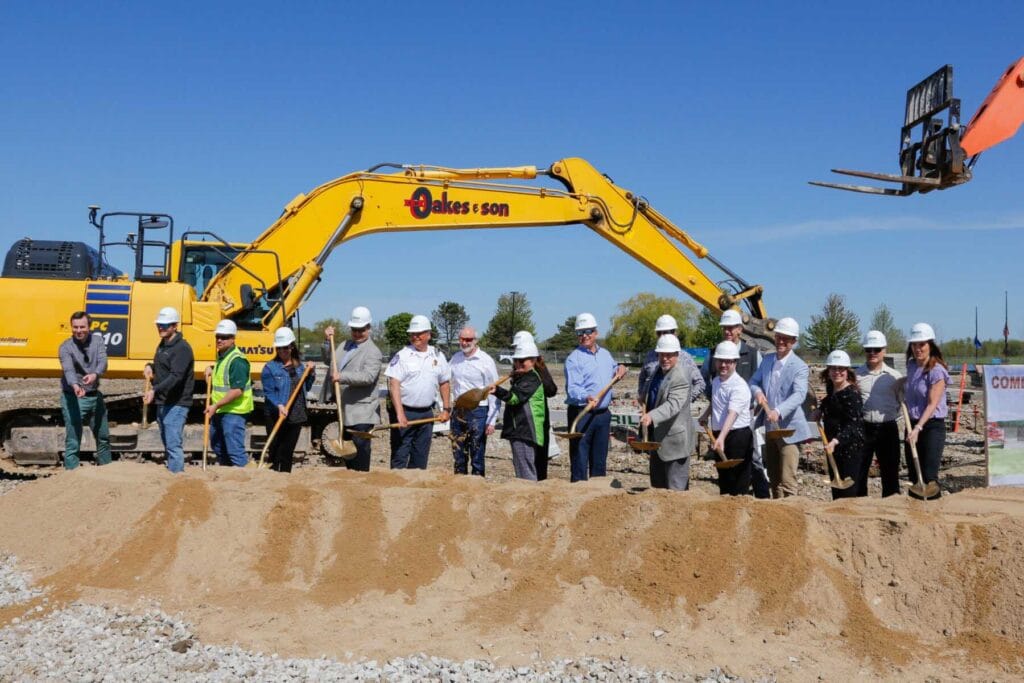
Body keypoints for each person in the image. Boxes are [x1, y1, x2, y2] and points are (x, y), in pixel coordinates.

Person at [700, 309, 768, 498]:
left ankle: (762, 497)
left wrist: (758, 404)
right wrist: (707, 414)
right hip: (722, 427)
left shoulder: (752, 356)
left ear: (740, 329)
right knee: (726, 478)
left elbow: (734, 411)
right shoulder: (716, 370)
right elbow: (711, 389)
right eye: (725, 328)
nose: (728, 331)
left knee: (747, 468)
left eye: (732, 327)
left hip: (740, 424)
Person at [749, 316, 815, 498]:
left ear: (794, 341)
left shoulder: (799, 367)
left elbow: (799, 394)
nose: (781, 341)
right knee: (774, 478)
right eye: (778, 337)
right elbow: (754, 381)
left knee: (787, 481)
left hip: (789, 431)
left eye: (786, 338)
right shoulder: (767, 360)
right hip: (771, 429)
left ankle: (792, 519)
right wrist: (757, 392)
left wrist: (778, 411)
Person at [564, 313, 628, 482]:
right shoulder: (573, 359)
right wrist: (586, 397)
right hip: (582, 414)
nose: (584, 336)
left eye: (588, 331)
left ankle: (597, 500)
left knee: (599, 462)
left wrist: (621, 368)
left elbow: (616, 369)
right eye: (580, 332)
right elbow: (572, 390)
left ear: (596, 333)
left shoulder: (605, 355)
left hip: (602, 416)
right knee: (579, 462)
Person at [385, 314, 450, 470]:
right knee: (400, 455)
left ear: (428, 334)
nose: (415, 337)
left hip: (426, 414)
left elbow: (444, 382)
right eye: (412, 334)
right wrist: (400, 413)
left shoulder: (438, 355)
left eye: (419, 333)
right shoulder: (403, 356)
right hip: (405, 412)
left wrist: (447, 409)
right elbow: (394, 384)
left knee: (420, 458)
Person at [324, 306, 383, 472]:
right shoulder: (344, 345)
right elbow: (329, 360)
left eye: (361, 330)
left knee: (360, 452)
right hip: (345, 409)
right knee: (348, 454)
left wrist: (341, 377)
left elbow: (368, 377)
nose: (357, 333)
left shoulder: (373, 352)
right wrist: (328, 341)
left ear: (369, 328)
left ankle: (362, 483)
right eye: (354, 330)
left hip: (362, 412)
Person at [639, 334, 695, 490]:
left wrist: (651, 416)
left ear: (677, 354)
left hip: (675, 443)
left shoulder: (681, 376)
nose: (665, 358)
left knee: (676, 491)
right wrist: (644, 397)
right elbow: (654, 393)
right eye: (662, 354)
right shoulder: (658, 371)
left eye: (669, 355)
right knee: (658, 489)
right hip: (658, 440)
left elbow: (673, 405)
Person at [143, 307, 195, 473]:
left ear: (174, 326)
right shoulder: (163, 345)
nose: (161, 328)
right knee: (167, 441)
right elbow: (163, 367)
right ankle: (173, 472)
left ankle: (177, 476)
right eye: (159, 325)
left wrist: (154, 390)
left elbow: (176, 376)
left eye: (165, 325)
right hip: (164, 401)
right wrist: (149, 366)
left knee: (173, 444)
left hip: (177, 403)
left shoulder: (182, 348)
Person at [58, 311, 111, 470]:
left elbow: (103, 361)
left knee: (103, 437)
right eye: (75, 327)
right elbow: (68, 369)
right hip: (74, 397)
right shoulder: (65, 347)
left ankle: (106, 470)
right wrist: (75, 385)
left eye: (82, 327)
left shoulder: (97, 341)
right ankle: (72, 475)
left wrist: (95, 374)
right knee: (74, 440)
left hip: (95, 395)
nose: (79, 330)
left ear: (89, 327)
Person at [700, 340, 753, 495]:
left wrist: (721, 438)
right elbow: (716, 402)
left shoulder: (739, 386)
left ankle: (739, 514)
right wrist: (705, 415)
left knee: (738, 481)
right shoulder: (716, 381)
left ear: (735, 362)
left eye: (727, 362)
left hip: (738, 437)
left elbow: (732, 414)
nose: (723, 365)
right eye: (720, 361)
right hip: (720, 434)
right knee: (724, 479)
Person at [855, 330, 903, 497]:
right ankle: (859, 508)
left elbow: (901, 403)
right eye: (869, 349)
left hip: (887, 428)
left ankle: (891, 508)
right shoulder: (856, 376)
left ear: (884, 350)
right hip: (864, 428)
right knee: (859, 471)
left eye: (877, 349)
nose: (872, 353)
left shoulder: (894, 377)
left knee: (890, 472)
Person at [904, 322, 949, 499]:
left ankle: (934, 519)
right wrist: (898, 385)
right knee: (915, 476)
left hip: (931, 427)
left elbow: (932, 404)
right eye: (914, 345)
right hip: (912, 424)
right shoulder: (911, 366)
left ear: (930, 344)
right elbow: (912, 385)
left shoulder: (936, 371)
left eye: (921, 344)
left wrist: (918, 428)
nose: (918, 348)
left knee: (929, 478)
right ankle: (917, 519)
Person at [261, 327, 315, 473]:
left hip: (296, 413)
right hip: (276, 414)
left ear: (292, 346)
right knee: (275, 450)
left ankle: (285, 479)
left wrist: (310, 373)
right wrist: (279, 405)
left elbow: (307, 387)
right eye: (279, 348)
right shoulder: (270, 368)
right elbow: (269, 392)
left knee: (287, 451)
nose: (282, 351)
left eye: (285, 347)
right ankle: (272, 477)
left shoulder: (299, 367)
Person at [493, 340, 548, 480]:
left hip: (526, 431)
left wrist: (497, 390)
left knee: (526, 471)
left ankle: (530, 498)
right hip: (520, 430)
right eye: (516, 360)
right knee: (521, 468)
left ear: (533, 360)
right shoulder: (524, 377)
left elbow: (515, 398)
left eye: (522, 360)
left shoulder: (531, 379)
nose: (518, 363)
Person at [449, 326, 499, 477]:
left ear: (475, 341)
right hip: (459, 411)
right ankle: (460, 482)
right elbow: (445, 381)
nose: (464, 343)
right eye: (462, 339)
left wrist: (492, 420)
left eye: (468, 339)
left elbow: (494, 391)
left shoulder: (486, 361)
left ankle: (477, 485)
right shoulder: (455, 359)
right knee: (458, 450)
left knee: (477, 451)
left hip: (478, 411)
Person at [818, 350, 867, 500]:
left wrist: (836, 440)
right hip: (833, 447)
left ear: (847, 371)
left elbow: (853, 424)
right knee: (836, 491)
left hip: (850, 449)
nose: (837, 372)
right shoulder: (832, 389)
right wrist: (820, 410)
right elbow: (830, 401)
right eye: (833, 368)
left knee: (848, 494)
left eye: (841, 369)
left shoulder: (852, 394)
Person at [204, 319, 253, 467]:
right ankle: (226, 475)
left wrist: (215, 405)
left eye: (224, 337)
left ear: (233, 339)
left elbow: (237, 390)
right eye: (217, 336)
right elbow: (222, 380)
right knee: (218, 447)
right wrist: (211, 369)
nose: (219, 340)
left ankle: (242, 478)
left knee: (234, 451)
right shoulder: (222, 356)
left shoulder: (237, 360)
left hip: (234, 412)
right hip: (221, 410)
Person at [514, 330, 558, 479]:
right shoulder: (517, 367)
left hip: (538, 419)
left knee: (539, 458)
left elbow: (552, 390)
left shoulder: (539, 368)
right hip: (522, 421)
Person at [638, 314, 704, 401]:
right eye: (659, 333)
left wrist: (685, 401)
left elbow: (700, 383)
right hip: (653, 412)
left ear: (675, 333)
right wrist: (643, 398)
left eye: (665, 332)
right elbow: (642, 379)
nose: (662, 336)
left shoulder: (685, 358)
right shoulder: (650, 356)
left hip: (676, 412)